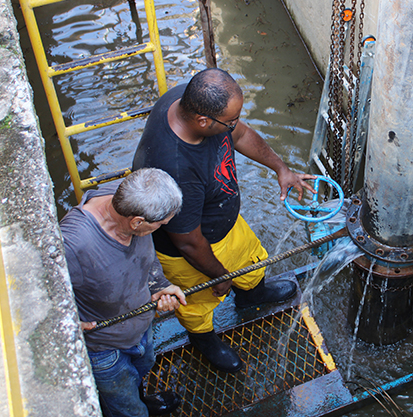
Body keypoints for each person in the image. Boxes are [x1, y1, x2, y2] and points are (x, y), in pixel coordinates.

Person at [132, 67, 314, 373]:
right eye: (229, 120)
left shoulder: (187, 99)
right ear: (203, 121)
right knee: (198, 303)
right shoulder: (174, 168)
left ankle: (252, 295)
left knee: (251, 261)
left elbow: (239, 133)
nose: (234, 124)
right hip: (189, 251)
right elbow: (189, 242)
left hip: (223, 224)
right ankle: (204, 340)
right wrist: (220, 277)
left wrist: (281, 168)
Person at [61, 168, 187, 417]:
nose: (162, 229)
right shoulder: (73, 245)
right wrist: (67, 325)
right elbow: (39, 300)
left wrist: (159, 285)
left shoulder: (125, 193)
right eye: (159, 225)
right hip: (104, 349)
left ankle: (137, 399)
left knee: (139, 374)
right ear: (137, 222)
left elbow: (145, 260)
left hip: (140, 327)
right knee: (126, 409)